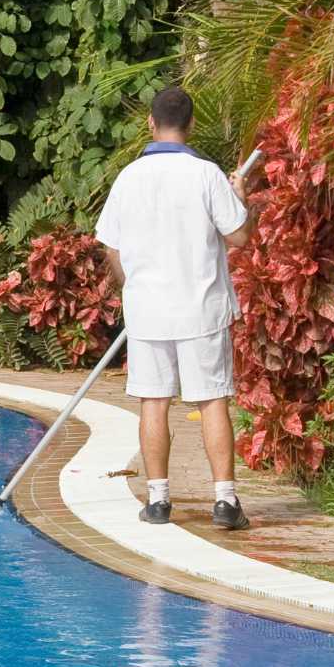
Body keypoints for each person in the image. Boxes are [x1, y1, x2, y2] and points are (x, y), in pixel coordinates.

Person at [95, 86, 256, 530]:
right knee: (211, 402)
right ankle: (224, 502)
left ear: (150, 122)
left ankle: (158, 499)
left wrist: (133, 286)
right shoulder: (205, 175)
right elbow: (240, 237)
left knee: (154, 401)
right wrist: (241, 195)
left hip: (148, 310)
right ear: (191, 124)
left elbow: (111, 245)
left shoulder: (129, 177)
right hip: (201, 307)